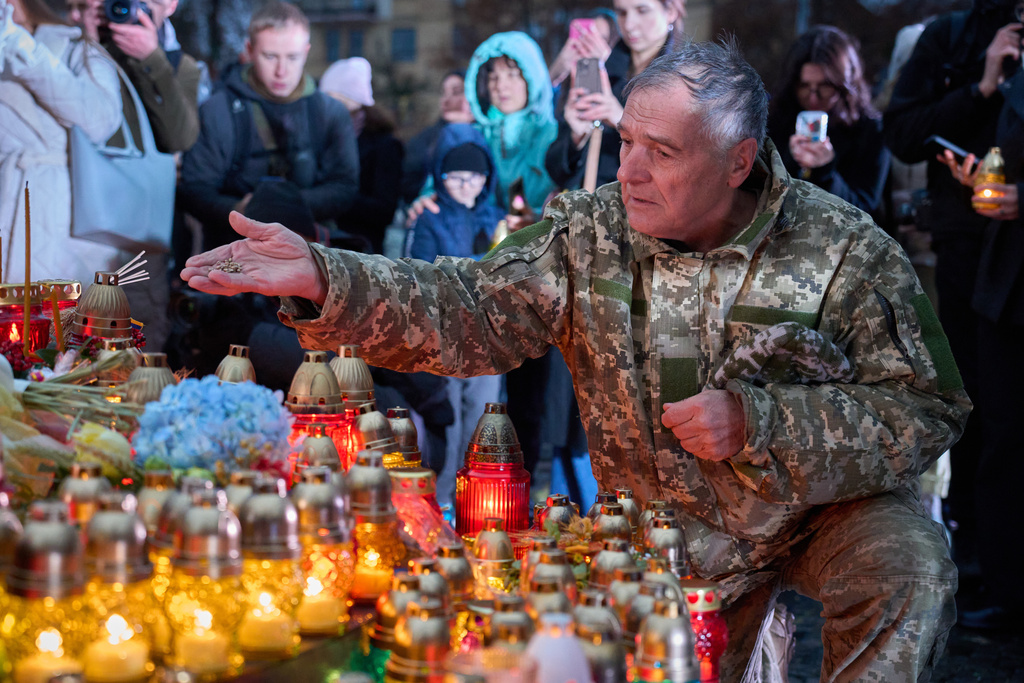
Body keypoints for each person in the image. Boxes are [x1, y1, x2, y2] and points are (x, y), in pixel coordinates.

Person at [183, 40, 969, 680]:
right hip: (657, 537)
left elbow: (927, 405)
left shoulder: (842, 248)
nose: (627, 170)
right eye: (626, 139)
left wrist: (764, 423)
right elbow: (468, 306)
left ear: (737, 162)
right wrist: (326, 275)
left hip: (816, 513)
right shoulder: (589, 232)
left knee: (908, 562)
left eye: (662, 152)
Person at [884, 0, 1020, 628]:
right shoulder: (947, 38)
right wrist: (982, 87)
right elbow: (903, 131)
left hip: (1009, 245)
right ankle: (981, 566)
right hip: (973, 255)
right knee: (977, 409)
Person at [178, 0, 359, 252]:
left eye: (292, 57)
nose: (281, 71)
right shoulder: (217, 111)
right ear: (250, 50)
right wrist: (239, 211)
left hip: (312, 256)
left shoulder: (329, 113)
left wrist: (278, 205)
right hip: (232, 258)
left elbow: (345, 187)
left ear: (306, 52)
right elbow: (195, 189)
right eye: (270, 56)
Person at [405, 123, 504, 506]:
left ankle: (479, 502)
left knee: (482, 424)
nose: (465, 186)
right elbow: (416, 274)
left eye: (474, 177)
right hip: (442, 337)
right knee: (447, 424)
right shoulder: (428, 217)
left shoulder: (496, 218)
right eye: (456, 177)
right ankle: (442, 503)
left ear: (486, 178)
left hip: (488, 341)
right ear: (440, 176)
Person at [0, 0, 123, 286]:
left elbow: (100, 119)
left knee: (52, 321)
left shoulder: (77, 47)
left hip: (60, 209)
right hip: (7, 197)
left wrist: (21, 46)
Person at [546, 0, 684, 192]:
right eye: (622, 13)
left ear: (670, 12)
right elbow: (558, 173)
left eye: (642, 10)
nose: (629, 25)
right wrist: (577, 137)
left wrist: (622, 120)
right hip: (594, 210)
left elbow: (683, 161)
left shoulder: (687, 78)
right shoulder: (601, 70)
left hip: (647, 208)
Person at [768, 25, 890, 217]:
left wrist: (825, 171)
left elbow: (864, 210)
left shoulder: (871, 130)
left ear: (844, 86)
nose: (814, 97)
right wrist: (790, 163)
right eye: (804, 86)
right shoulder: (776, 120)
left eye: (825, 86)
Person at [66, 0, 200, 154]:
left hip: (135, 172)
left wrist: (151, 59)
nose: (137, 10)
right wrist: (89, 42)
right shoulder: (97, 44)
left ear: (171, 6)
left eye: (151, 2)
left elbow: (180, 139)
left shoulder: (181, 66)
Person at [319, 57, 404, 254]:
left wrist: (335, 196)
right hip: (322, 247)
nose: (325, 105)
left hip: (362, 255)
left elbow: (384, 210)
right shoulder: (323, 137)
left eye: (333, 97)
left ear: (352, 99)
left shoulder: (384, 145)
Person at [400, 70, 474, 206]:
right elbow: (409, 188)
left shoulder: (492, 135)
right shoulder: (424, 141)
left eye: (457, 92)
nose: (446, 100)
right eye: (443, 93)